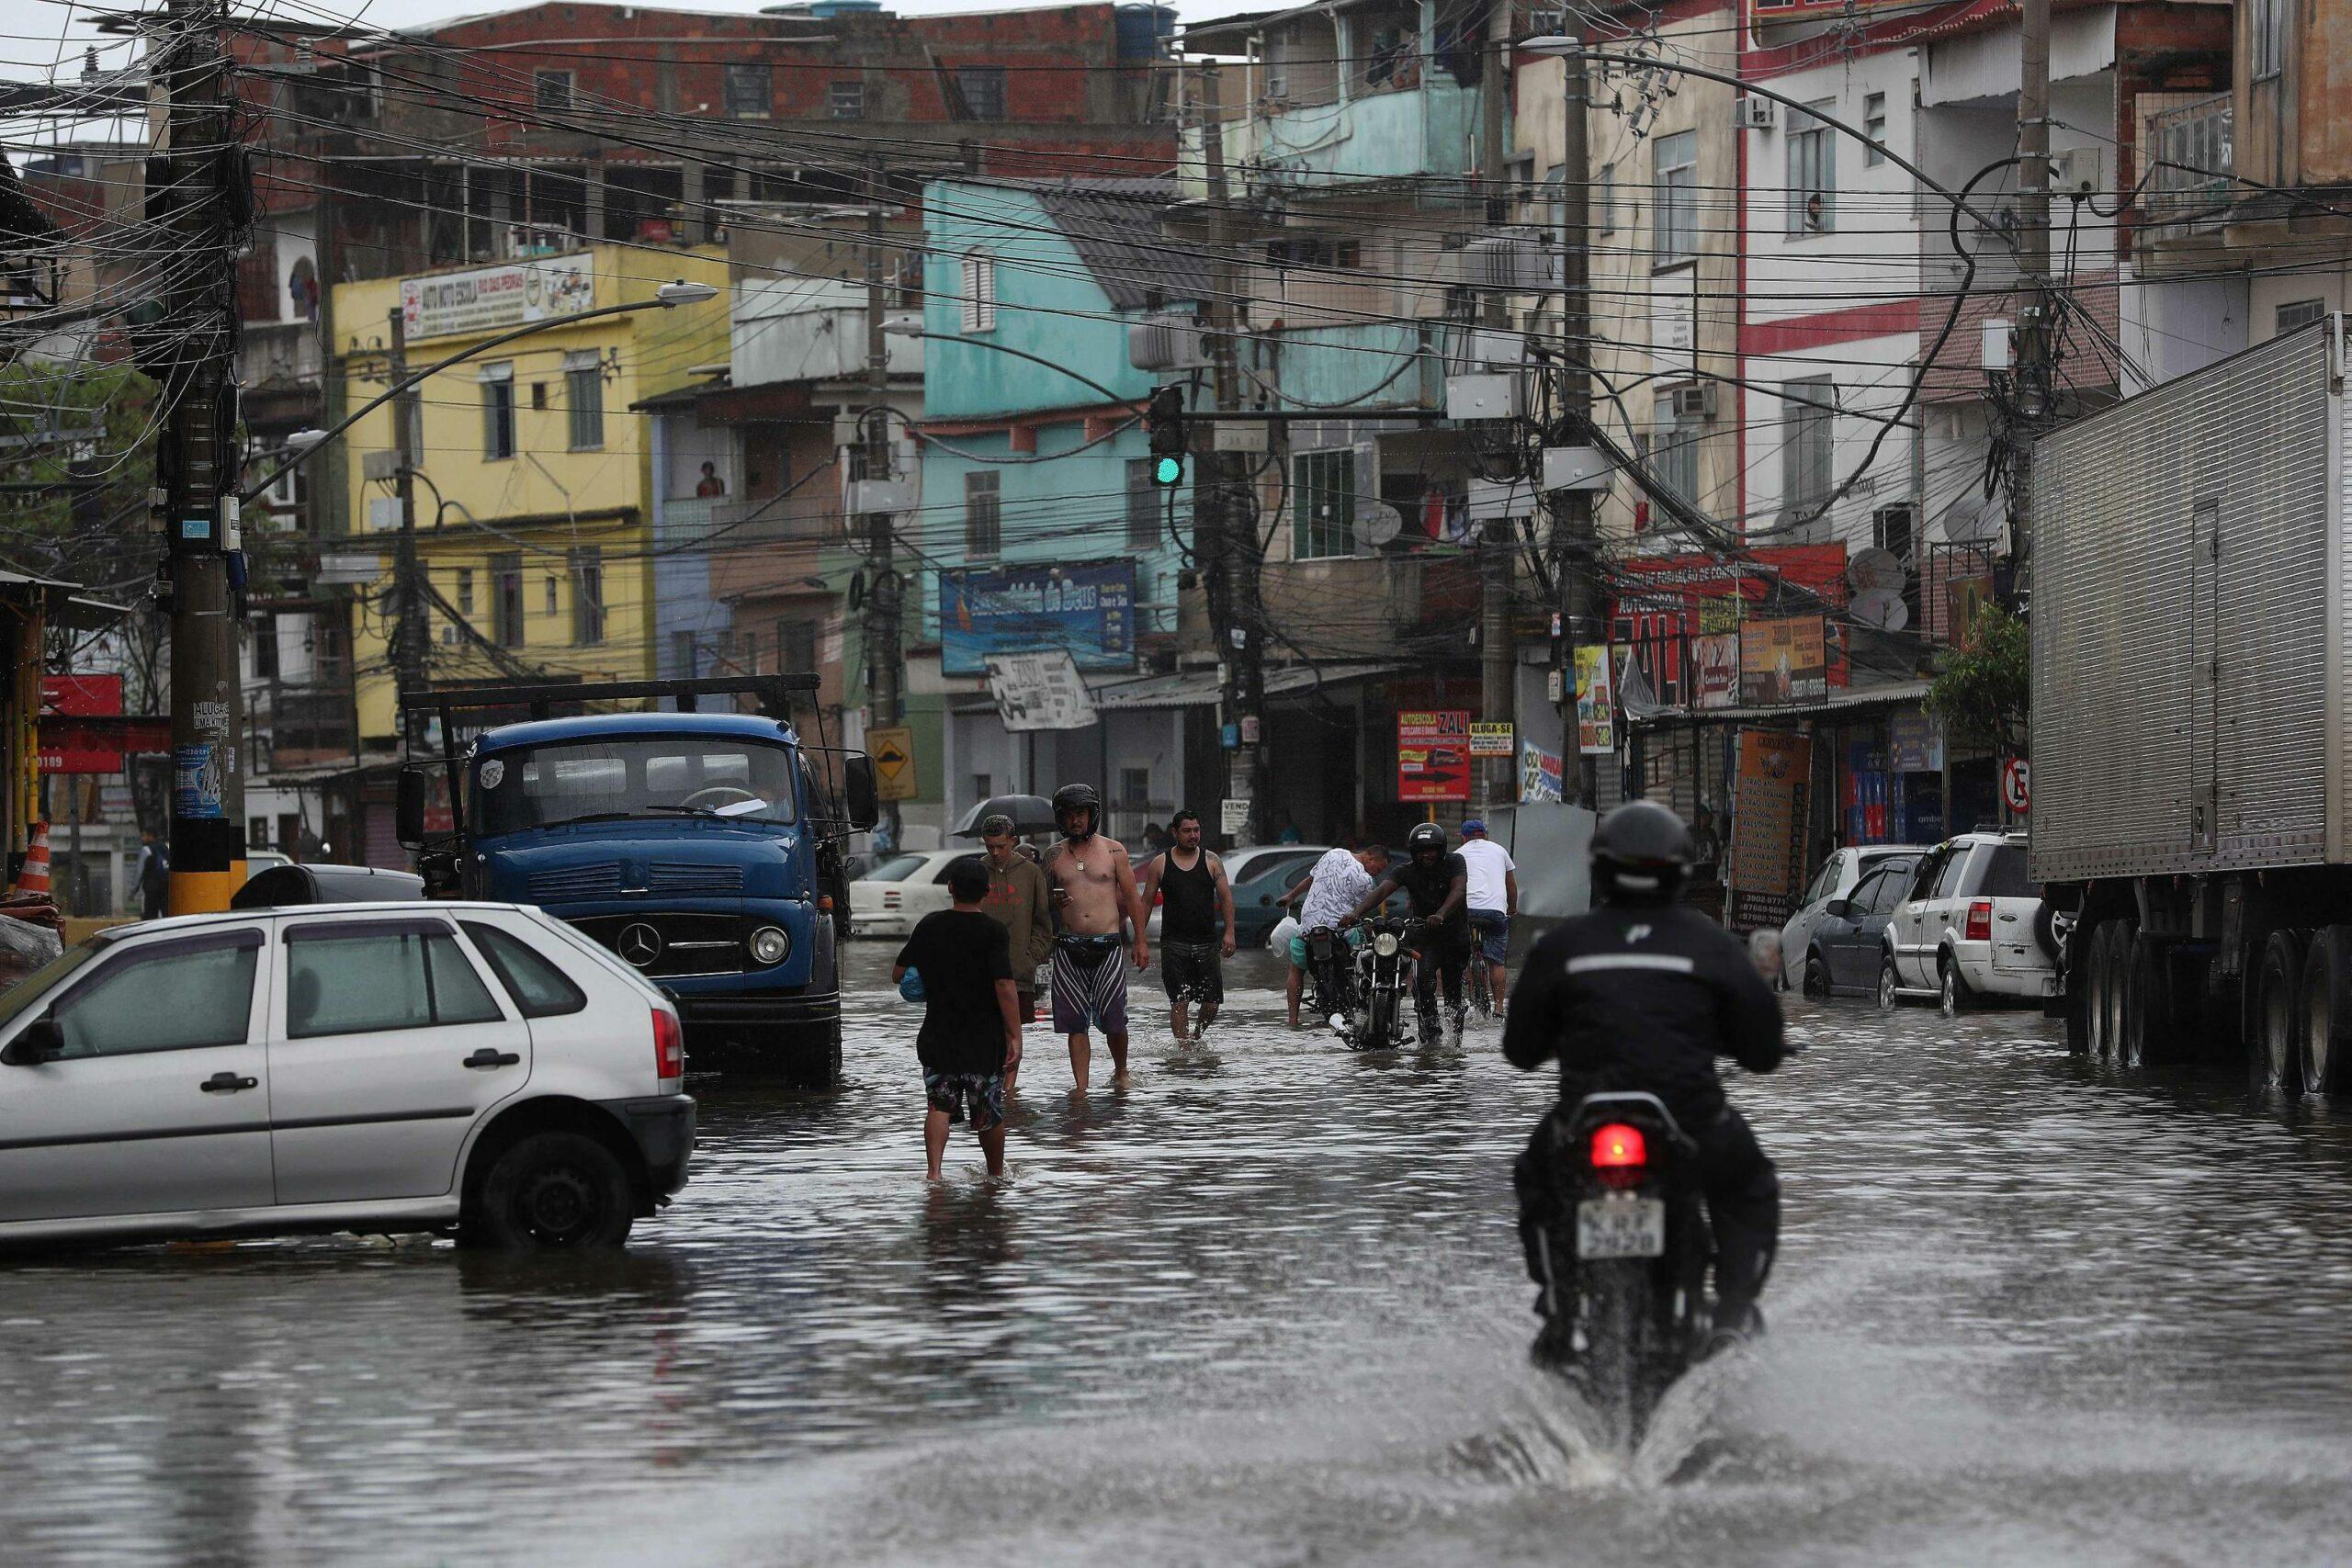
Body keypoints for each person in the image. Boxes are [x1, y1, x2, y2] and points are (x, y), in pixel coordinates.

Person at [1502, 799, 1787, 1350]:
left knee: (1537, 1180)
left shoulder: (1561, 946)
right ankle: (1731, 1313)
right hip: (1692, 1121)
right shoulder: (1713, 945)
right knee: (1749, 1187)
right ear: (1679, 869)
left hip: (1584, 1121)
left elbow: (1520, 1051)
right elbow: (1763, 1052)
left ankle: (1560, 1305)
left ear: (1600, 868)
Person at [892, 856, 1023, 1179]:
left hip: (938, 1035)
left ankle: (934, 1173)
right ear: (987, 892)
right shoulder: (993, 932)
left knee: (939, 1105)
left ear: (950, 888)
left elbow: (898, 974)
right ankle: (995, 1175)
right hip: (983, 1040)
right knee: (988, 1113)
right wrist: (1015, 1034)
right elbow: (1004, 984)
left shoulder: (930, 925)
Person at [1041, 783, 1149, 1090]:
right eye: (1069, 815)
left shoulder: (1114, 851)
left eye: (1081, 814)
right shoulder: (1053, 855)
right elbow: (1041, 901)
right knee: (1075, 1022)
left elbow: (1133, 898)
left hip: (1108, 945)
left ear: (1092, 815)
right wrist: (1053, 902)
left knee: (1115, 1019)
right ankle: (1081, 1087)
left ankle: (1121, 1070)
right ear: (1061, 819)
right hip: (1068, 947)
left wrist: (1140, 942)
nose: (1076, 820)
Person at [1350, 821, 1473, 1045]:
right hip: (1425, 936)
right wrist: (1355, 913)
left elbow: (1459, 890)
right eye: (1421, 851)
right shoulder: (1405, 870)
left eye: (1432, 850)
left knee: (1453, 991)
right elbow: (1381, 891)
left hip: (1455, 936)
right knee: (1423, 981)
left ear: (1441, 849)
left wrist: (1441, 914)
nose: (1427, 855)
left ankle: (1455, 1043)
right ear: (1414, 852)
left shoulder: (1455, 862)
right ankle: (1430, 1038)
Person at [1140, 808, 1236, 1043]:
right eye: (1187, 831)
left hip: (1206, 941)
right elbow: (1146, 902)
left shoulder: (1211, 861)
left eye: (1196, 830)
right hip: (1174, 942)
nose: (1193, 835)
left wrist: (1230, 932)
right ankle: (1183, 1050)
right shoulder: (1160, 863)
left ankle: (1197, 1034)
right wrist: (1139, 940)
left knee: (1212, 1002)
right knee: (1179, 1001)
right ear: (1175, 833)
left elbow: (1226, 898)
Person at [978, 813, 1053, 1088]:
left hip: (1019, 970)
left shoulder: (1031, 873)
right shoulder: (978, 870)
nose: (995, 852)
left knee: (1013, 1033)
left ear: (1013, 841)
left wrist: (1031, 957)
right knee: (984, 1032)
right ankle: (991, 1085)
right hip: (981, 971)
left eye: (1000, 846)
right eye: (989, 846)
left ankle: (1008, 1091)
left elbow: (1043, 923)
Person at [1283, 842, 1388, 1027]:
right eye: (1377, 870)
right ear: (1370, 859)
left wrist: (1291, 896)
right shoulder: (1364, 879)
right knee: (1363, 957)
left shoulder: (1333, 853)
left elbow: (1311, 880)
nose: (1375, 874)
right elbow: (1361, 910)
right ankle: (1360, 1004)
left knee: (1295, 969)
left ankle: (1292, 1021)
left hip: (1309, 924)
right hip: (1339, 929)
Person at [1457, 819, 1519, 1012]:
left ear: (1463, 837)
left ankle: (1470, 994)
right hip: (1495, 912)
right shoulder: (1500, 850)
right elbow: (1511, 885)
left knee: (1464, 953)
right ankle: (1499, 1008)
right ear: (1485, 834)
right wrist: (1512, 908)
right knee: (1496, 962)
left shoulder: (1458, 854)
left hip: (1466, 911)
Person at [136, 829, 168, 919]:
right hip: (167, 888)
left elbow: (139, 872)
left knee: (150, 917)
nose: (142, 839)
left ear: (150, 836)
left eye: (144, 836)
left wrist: (133, 891)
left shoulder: (146, 850)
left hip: (152, 889)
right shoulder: (165, 847)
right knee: (168, 915)